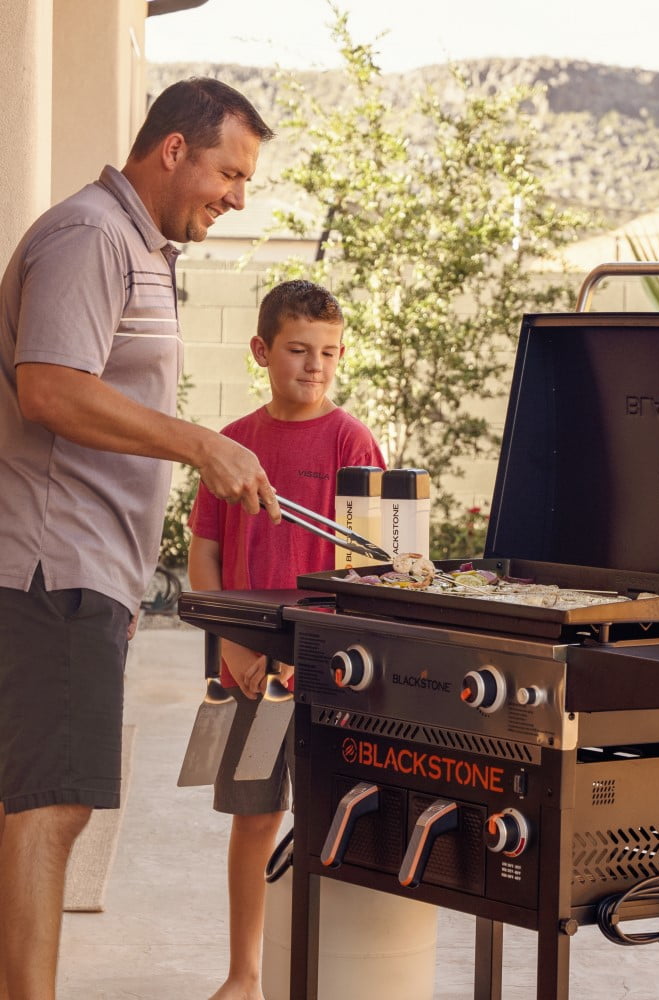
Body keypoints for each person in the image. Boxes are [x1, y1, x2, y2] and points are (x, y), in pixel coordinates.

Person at [0, 77, 283, 1000]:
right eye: (230, 173)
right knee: (51, 805)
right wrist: (205, 445)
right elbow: (48, 385)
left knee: (45, 803)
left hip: (87, 572)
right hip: (53, 562)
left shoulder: (139, 246)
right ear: (173, 150)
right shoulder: (91, 237)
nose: (238, 196)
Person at [187, 279, 385, 1000]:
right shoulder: (232, 444)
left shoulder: (351, 440)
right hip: (246, 664)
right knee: (255, 815)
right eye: (298, 350)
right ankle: (245, 974)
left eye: (328, 353)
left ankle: (329, 973)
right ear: (261, 351)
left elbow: (376, 557)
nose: (315, 366)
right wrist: (229, 639)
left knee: (334, 815)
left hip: (328, 666)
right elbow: (204, 551)